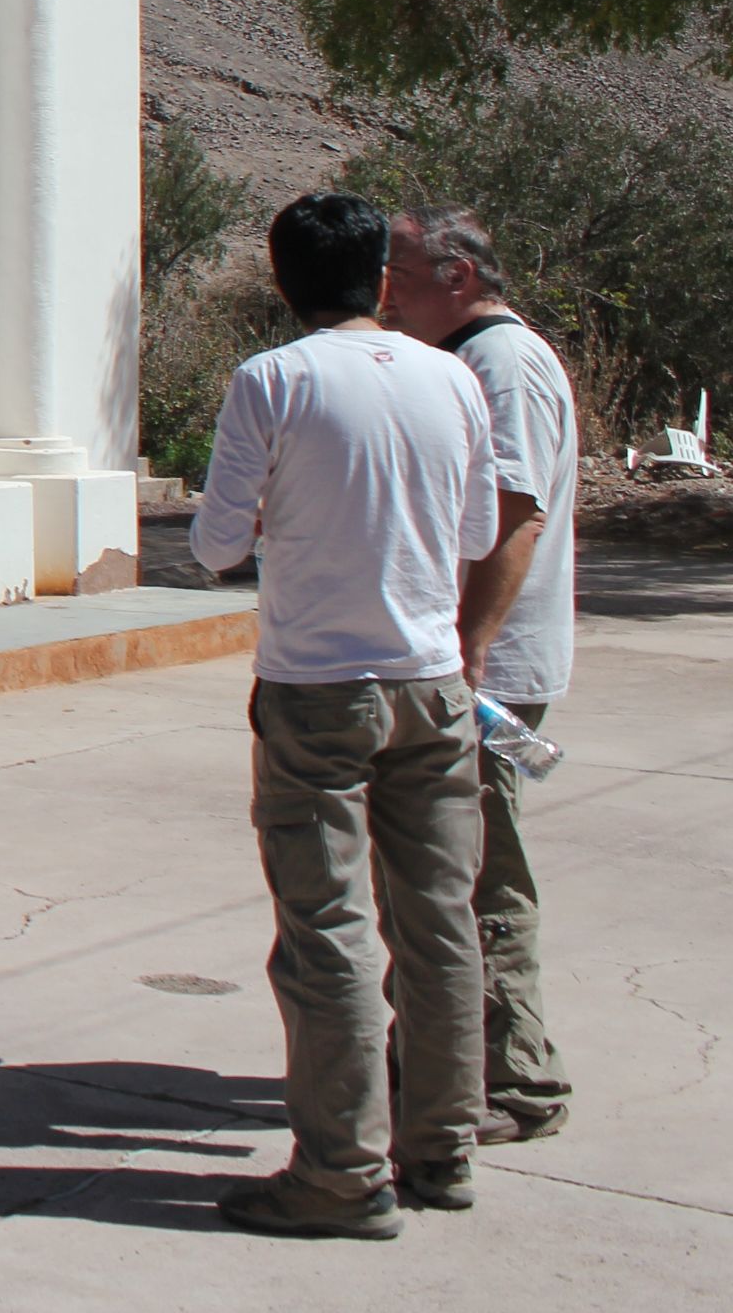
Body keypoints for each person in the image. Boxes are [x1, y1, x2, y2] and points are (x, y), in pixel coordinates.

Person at [193, 192, 499, 1239]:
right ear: (378, 279)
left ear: (283, 283)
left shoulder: (272, 380)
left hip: (317, 687)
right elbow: (475, 531)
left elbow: (215, 546)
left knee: (325, 930)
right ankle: (442, 1147)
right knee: (439, 920)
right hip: (432, 682)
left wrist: (279, 507)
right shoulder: (453, 378)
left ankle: (341, 1173)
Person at [384, 206, 577, 1143]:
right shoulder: (472, 359)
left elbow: (514, 513)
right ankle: (440, 1061)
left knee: (478, 875)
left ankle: (514, 1079)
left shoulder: (500, 362)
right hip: (470, 661)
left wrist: (467, 650)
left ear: (456, 276)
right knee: (443, 869)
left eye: (399, 271)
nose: (385, 290)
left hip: (486, 669)